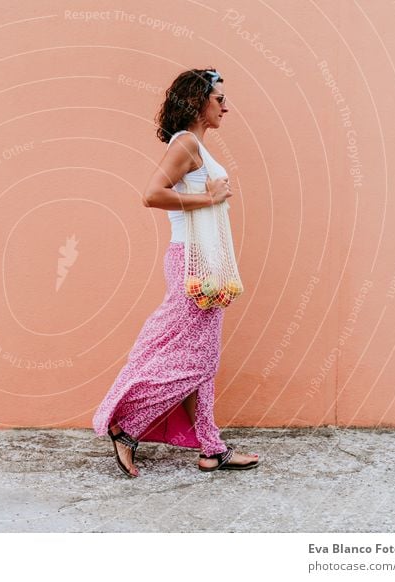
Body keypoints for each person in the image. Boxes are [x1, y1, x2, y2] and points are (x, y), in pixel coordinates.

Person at [92, 68, 261, 477]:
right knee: (199, 361)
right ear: (196, 102)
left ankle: (211, 449)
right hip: (192, 262)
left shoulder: (197, 145)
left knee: (202, 358)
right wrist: (207, 196)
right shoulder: (186, 143)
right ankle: (127, 428)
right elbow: (152, 194)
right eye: (218, 98)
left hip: (203, 260)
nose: (226, 105)